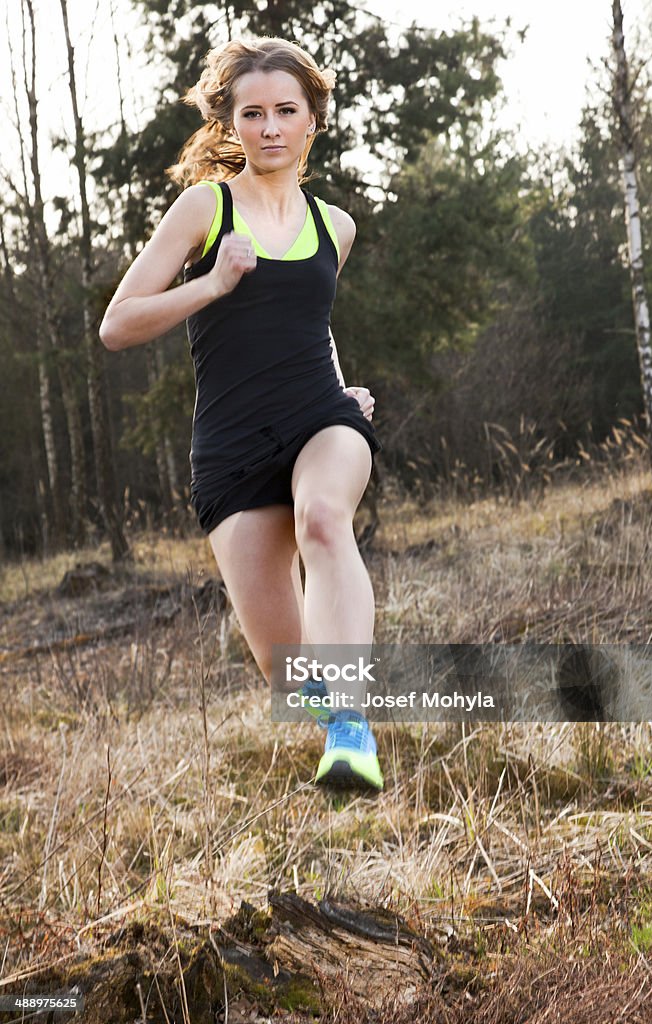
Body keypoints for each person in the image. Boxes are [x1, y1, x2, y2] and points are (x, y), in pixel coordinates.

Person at [100, 37, 384, 791]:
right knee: (290, 681)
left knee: (324, 517)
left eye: (285, 111)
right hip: (230, 445)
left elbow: (308, 321)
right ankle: (335, 734)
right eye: (251, 113)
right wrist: (212, 283)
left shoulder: (336, 227)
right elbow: (117, 324)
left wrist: (340, 390)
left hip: (318, 420)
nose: (268, 127)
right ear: (229, 124)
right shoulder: (205, 207)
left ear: (311, 122)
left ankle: (354, 729)